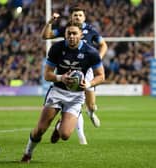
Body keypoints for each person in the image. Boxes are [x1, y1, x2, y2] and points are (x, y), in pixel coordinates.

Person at [21, 21, 105, 163]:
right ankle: (28, 152)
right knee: (40, 129)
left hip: (76, 96)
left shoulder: (91, 52)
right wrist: (61, 78)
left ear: (80, 35)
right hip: (58, 91)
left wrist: (89, 83)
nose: (71, 36)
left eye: (74, 33)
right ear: (65, 35)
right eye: (68, 33)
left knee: (65, 135)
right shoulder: (56, 48)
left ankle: (60, 125)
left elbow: (101, 76)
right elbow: (47, 75)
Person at [41, 5, 107, 145]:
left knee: (90, 103)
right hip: (69, 69)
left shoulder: (90, 31)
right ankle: (81, 136)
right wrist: (50, 22)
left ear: (84, 17)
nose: (77, 17)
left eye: (80, 15)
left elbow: (103, 45)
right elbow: (46, 36)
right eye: (75, 15)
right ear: (71, 17)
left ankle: (87, 113)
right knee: (78, 100)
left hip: (87, 69)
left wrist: (98, 60)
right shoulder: (67, 30)